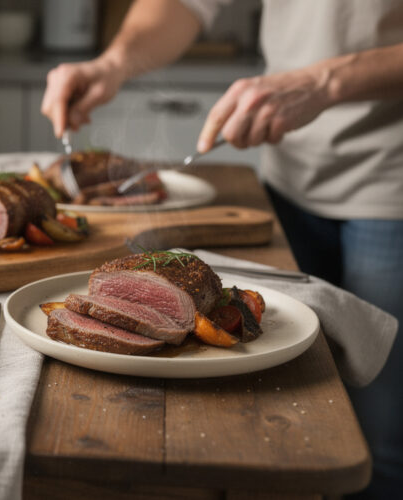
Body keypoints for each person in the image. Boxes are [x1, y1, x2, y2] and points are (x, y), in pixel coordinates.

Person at [40, 1, 403, 498]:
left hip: (393, 183)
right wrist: (112, 63)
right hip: (287, 172)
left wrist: (324, 81)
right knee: (301, 409)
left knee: (380, 436)